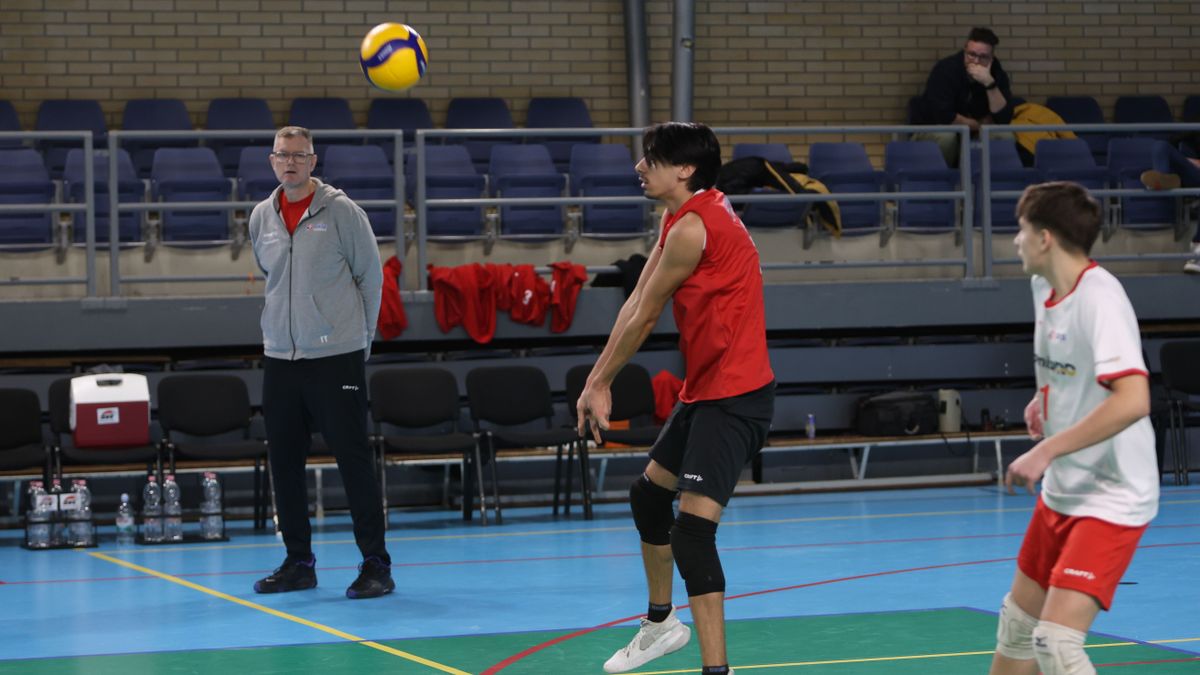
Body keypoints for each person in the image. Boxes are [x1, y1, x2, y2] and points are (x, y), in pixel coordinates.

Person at [576, 122, 775, 675]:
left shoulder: (695, 228)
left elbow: (646, 317)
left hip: (735, 398)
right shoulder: (682, 215)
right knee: (648, 498)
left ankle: (716, 671)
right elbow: (635, 300)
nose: (640, 167)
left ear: (685, 169)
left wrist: (600, 383)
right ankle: (662, 624)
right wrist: (596, 379)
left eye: (652, 159)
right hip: (706, 390)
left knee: (692, 534)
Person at [990, 181, 1159, 675]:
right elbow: (1069, 365)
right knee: (1018, 626)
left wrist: (1046, 450)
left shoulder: (1101, 300)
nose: (1015, 240)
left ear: (1045, 238)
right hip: (1066, 487)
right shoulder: (1043, 286)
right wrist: (1044, 402)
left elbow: (1134, 399)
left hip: (1113, 494)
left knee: (1056, 644)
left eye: (1022, 229)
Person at [248, 126, 393, 599]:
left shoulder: (342, 212)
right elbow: (272, 276)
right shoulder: (261, 216)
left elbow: (370, 278)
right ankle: (299, 562)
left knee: (352, 460)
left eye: (299, 155)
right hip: (280, 356)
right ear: (272, 161)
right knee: (284, 462)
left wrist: (359, 341)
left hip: (336, 356)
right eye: (282, 155)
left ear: (313, 162)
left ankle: (376, 564)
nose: (289, 162)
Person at [914, 27, 1015, 166]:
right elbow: (944, 116)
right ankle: (942, 178)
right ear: (965, 50)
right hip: (936, 129)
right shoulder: (946, 69)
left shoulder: (997, 73)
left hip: (975, 133)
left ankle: (986, 179)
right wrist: (980, 125)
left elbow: (1004, 118)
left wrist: (989, 83)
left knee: (1003, 136)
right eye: (971, 54)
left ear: (991, 58)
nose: (976, 61)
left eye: (983, 57)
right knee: (946, 137)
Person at [1140, 139, 1200, 274]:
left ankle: (1198, 254)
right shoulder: (1192, 134)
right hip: (1193, 174)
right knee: (1160, 145)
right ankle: (1162, 178)